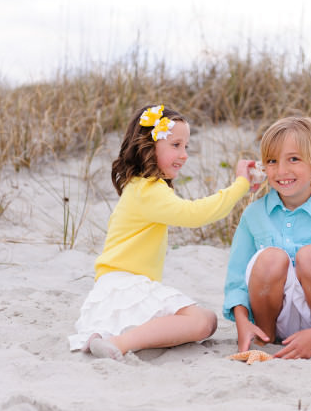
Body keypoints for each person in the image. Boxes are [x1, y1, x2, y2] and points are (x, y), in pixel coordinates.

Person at [69, 104, 256, 360]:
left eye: (186, 146)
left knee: (194, 319)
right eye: (176, 145)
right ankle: (119, 343)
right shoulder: (149, 191)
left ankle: (108, 338)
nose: (184, 154)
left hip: (113, 287)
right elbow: (196, 214)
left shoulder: (140, 187)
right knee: (205, 321)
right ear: (148, 145)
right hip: (125, 286)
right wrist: (240, 185)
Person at [223, 116, 311, 359]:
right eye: (271, 161)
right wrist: (242, 322)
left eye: (294, 159)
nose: (281, 171)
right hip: (268, 317)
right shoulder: (254, 215)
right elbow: (236, 280)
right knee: (270, 258)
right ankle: (263, 337)